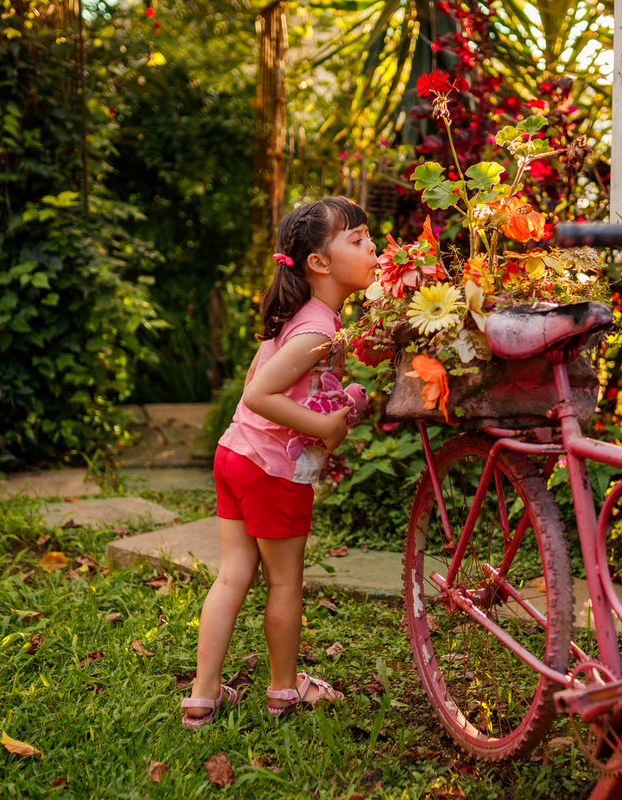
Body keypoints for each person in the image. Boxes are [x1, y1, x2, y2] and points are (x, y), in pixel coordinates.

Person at [181, 197, 378, 728]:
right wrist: (327, 426)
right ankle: (284, 691)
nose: (373, 248)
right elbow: (259, 396)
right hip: (270, 469)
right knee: (285, 583)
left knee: (232, 577)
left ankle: (202, 697)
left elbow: (254, 385)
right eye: (357, 240)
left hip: (235, 455)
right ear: (319, 262)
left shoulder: (294, 317)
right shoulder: (317, 330)